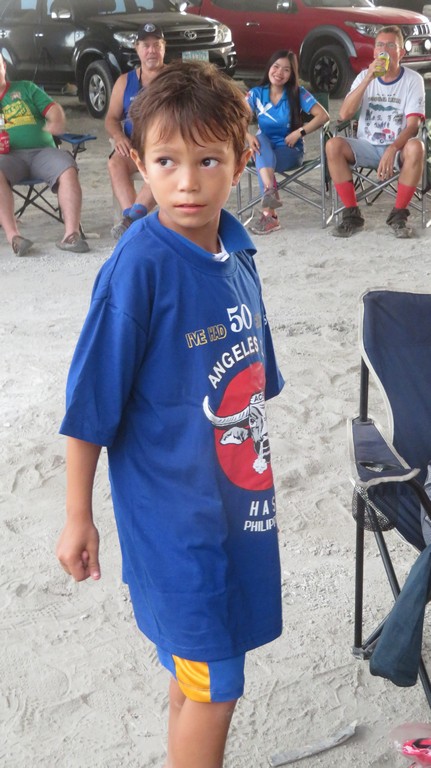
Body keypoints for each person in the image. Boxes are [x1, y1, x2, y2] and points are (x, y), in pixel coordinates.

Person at [56, 61, 284, 768]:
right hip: (174, 531)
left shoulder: (238, 255)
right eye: (166, 161)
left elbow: (251, 385)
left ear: (242, 159)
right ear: (139, 162)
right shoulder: (138, 269)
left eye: (208, 160)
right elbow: (88, 406)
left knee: (197, 675)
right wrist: (77, 515)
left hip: (236, 514)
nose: (187, 182)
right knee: (215, 688)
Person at [326, 25, 425, 239]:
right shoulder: (364, 76)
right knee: (333, 145)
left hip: (398, 148)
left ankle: (398, 216)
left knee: (417, 146)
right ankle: (352, 215)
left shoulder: (412, 79)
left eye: (390, 45)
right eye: (380, 45)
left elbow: (413, 125)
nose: (384, 50)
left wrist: (393, 148)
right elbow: (344, 114)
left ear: (401, 52)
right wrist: (368, 79)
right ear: (374, 52)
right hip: (367, 145)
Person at [0, 52, 89, 257]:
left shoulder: (26, 88)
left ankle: (72, 235)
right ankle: (14, 237)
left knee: (67, 166)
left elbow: (53, 108)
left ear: (4, 66)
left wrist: (56, 121)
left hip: (43, 152)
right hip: (8, 158)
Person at [245, 49, 329, 235]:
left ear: (292, 74)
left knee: (260, 158)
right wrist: (248, 136)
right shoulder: (256, 94)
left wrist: (300, 132)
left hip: (290, 151)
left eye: (286, 70)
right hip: (263, 148)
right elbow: (236, 119)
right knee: (260, 141)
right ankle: (270, 197)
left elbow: (323, 116)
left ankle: (270, 212)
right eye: (276, 67)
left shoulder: (298, 93)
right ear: (269, 67)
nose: (279, 73)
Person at [105, 22, 165, 240]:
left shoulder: (176, 79)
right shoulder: (125, 81)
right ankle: (133, 220)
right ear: (137, 49)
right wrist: (119, 136)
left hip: (165, 147)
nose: (151, 50)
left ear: (164, 48)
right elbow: (111, 119)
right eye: (146, 46)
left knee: (161, 166)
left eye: (156, 45)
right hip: (134, 146)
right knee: (115, 162)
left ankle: (130, 222)